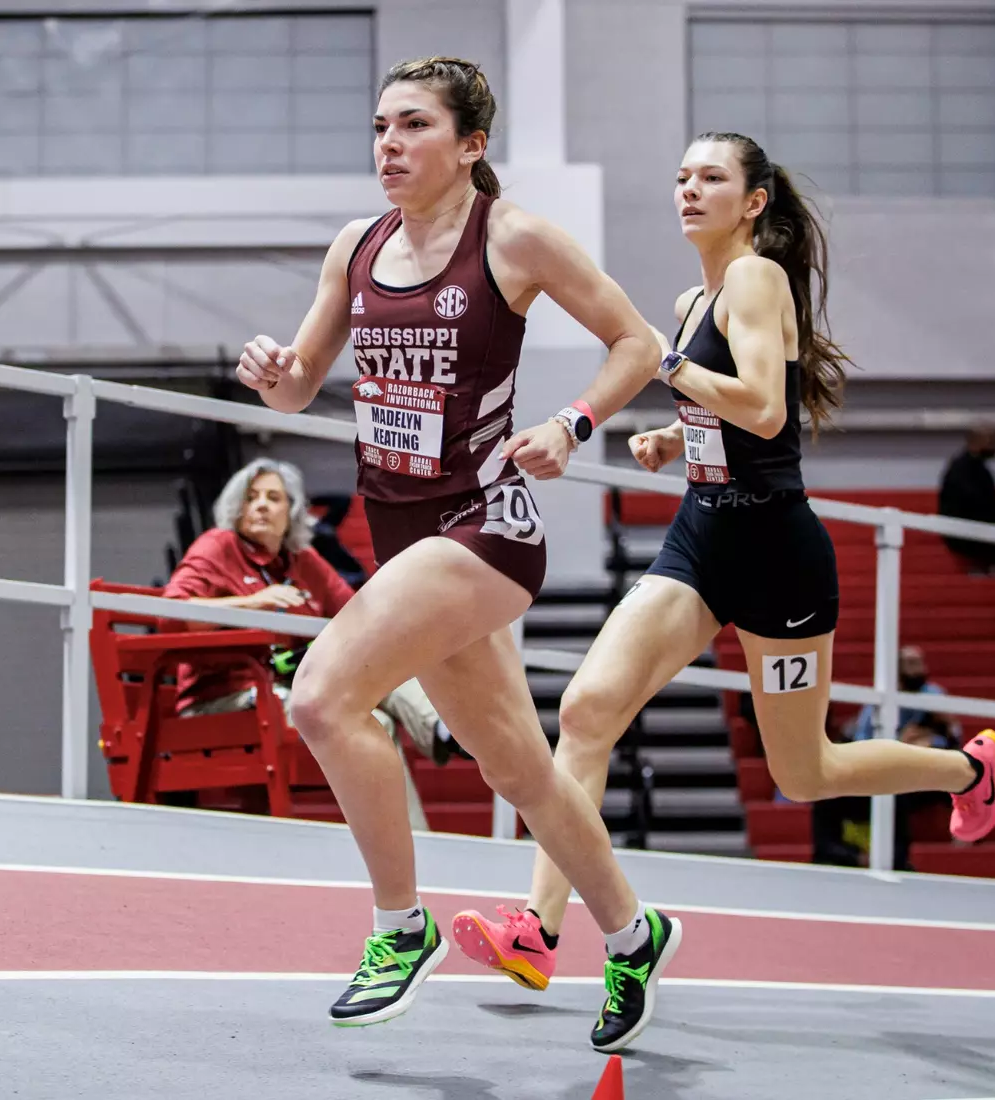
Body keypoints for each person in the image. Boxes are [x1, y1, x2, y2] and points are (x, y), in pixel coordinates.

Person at [449, 132, 995, 1049]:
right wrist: (674, 439)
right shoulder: (692, 298)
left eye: (710, 177)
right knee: (587, 711)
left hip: (777, 559)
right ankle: (538, 930)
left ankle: (966, 768)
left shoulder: (756, 278)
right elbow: (730, 413)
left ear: (752, 201)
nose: (688, 189)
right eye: (680, 176)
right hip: (703, 538)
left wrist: (665, 369)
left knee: (806, 772)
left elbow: (766, 409)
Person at [233, 56, 669, 1042]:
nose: (387, 144)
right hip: (393, 526)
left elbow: (636, 341)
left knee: (320, 696)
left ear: (470, 143)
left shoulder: (510, 238)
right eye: (380, 125)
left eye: (413, 125)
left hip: (482, 528)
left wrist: (571, 421)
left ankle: (398, 925)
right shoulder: (357, 245)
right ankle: (633, 930)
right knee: (514, 763)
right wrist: (274, 371)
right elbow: (301, 384)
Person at [161, 457, 456, 828]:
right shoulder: (217, 546)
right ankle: (446, 733)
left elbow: (357, 615)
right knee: (369, 713)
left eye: (273, 497)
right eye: (252, 497)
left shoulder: (303, 560)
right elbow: (169, 613)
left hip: (292, 692)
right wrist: (248, 603)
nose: (262, 505)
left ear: (293, 511)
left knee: (377, 697)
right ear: (237, 507)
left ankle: (435, 764)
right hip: (226, 698)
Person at [812, 646, 964, 869]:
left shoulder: (933, 695)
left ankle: (963, 825)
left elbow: (948, 739)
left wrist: (941, 732)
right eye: (912, 664)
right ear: (897, 669)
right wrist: (901, 744)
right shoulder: (880, 699)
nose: (920, 669)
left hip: (917, 771)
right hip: (880, 769)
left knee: (956, 765)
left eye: (921, 663)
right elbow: (862, 744)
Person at [938, 427, 995, 574]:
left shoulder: (978, 468)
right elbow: (978, 505)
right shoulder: (962, 470)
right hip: (966, 531)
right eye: (991, 442)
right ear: (975, 442)